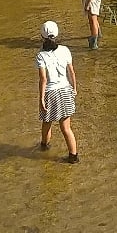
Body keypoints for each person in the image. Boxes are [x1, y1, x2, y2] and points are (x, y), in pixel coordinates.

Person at [36, 21, 79, 163]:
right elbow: (71, 72)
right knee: (66, 127)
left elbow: (43, 79)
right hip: (66, 90)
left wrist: (41, 99)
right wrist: (74, 88)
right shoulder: (65, 50)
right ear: (57, 34)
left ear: (42, 36)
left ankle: (44, 146)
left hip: (51, 93)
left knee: (47, 122)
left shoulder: (41, 55)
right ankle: (73, 156)